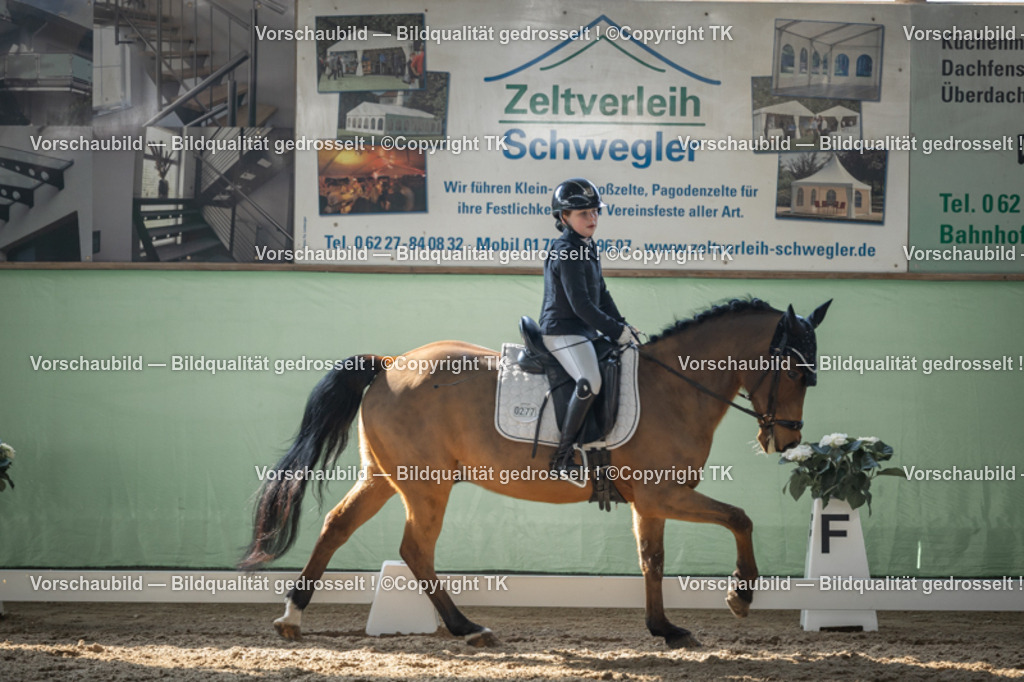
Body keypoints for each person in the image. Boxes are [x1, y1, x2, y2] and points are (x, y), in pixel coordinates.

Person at [540, 178, 640, 477]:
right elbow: (581, 306)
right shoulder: (566, 250)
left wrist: (623, 326)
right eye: (583, 213)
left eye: (595, 211)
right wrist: (615, 331)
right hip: (562, 331)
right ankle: (562, 457)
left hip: (582, 332)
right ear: (564, 217)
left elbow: (602, 295)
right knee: (590, 381)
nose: (592, 218)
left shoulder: (587, 245)